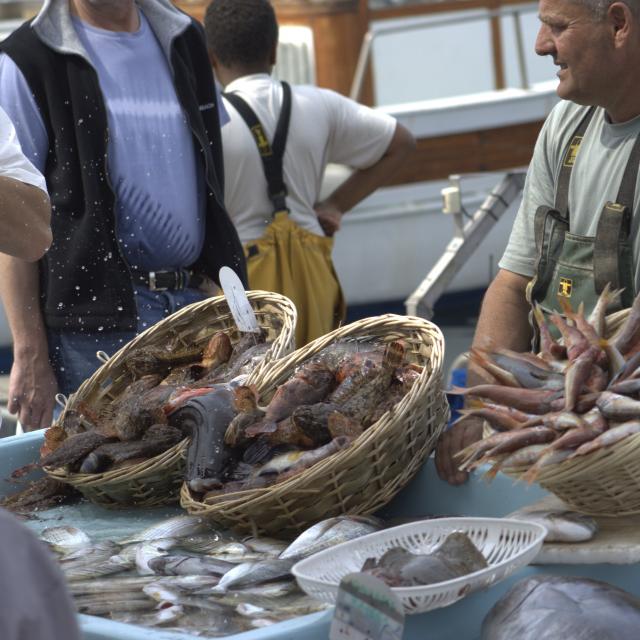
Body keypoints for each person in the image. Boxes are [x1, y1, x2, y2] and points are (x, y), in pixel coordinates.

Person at [0, 0, 247, 432]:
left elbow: (210, 175)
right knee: (108, 482)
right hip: (96, 328)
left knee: (211, 474)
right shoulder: (27, 60)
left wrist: (222, 281)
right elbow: (14, 220)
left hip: (197, 306)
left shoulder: (185, 36)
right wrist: (29, 350)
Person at [436, 0, 640, 484]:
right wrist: (483, 413)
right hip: (557, 422)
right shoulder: (567, 125)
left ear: (618, 24)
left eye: (557, 27)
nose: (540, 45)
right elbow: (512, 285)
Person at [204, 0, 415, 346]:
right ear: (274, 50)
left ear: (211, 57)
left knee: (253, 388)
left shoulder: (210, 123)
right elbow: (402, 143)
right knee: (316, 381)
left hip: (245, 286)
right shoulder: (320, 104)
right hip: (312, 277)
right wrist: (335, 204)